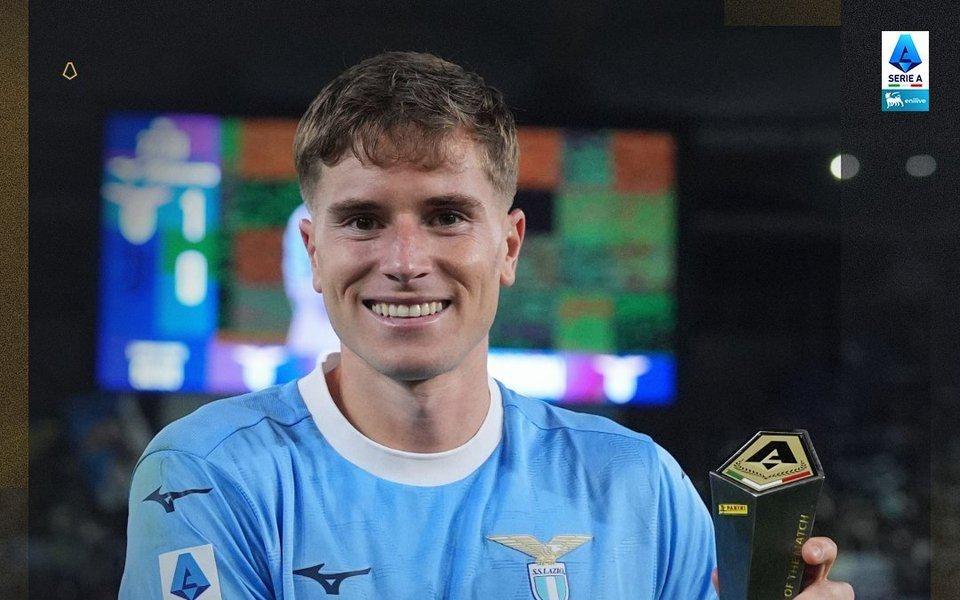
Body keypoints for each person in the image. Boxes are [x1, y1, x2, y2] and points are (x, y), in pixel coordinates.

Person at [120, 51, 853, 599]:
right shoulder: (206, 473)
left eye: (446, 217)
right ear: (313, 253)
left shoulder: (639, 485)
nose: (405, 262)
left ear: (509, 246)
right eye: (363, 220)